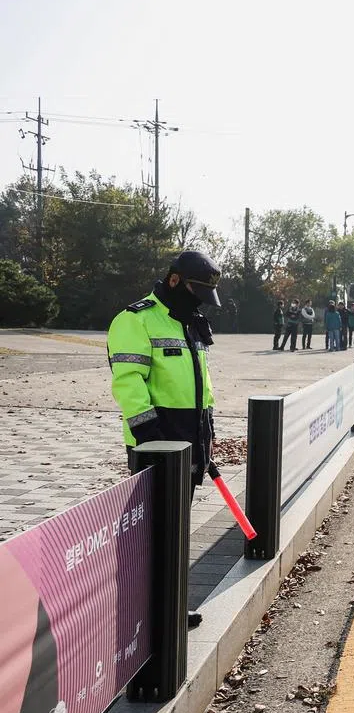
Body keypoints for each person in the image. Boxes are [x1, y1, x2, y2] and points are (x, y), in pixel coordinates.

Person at [107, 250, 222, 629]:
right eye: (196, 291)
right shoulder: (135, 320)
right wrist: (152, 441)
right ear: (174, 281)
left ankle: (169, 606)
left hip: (189, 445)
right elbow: (128, 384)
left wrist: (207, 438)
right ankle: (141, 615)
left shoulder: (190, 321)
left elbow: (200, 388)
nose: (199, 301)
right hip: (157, 448)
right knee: (154, 534)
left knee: (175, 530)